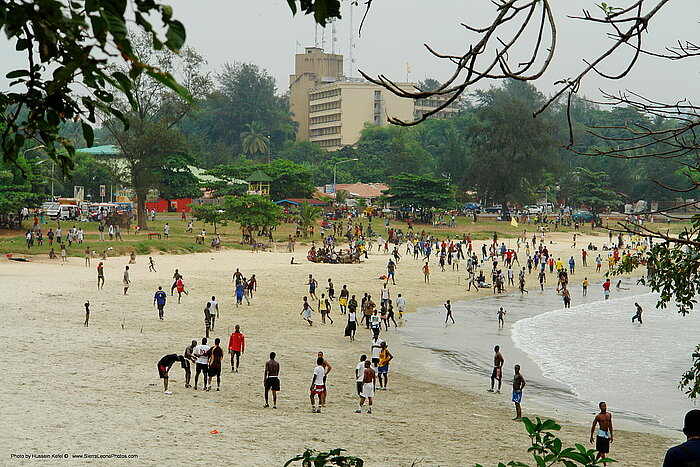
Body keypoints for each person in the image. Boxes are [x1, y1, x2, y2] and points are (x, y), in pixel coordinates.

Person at [590, 401, 613, 466]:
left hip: (606, 433)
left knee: (601, 451)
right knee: (602, 451)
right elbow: (593, 426)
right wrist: (591, 436)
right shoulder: (598, 416)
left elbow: (610, 425)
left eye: (605, 406)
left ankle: (595, 462)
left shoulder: (609, 415)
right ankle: (605, 465)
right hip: (601, 433)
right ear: (600, 407)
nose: (605, 407)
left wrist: (611, 435)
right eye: (603, 406)